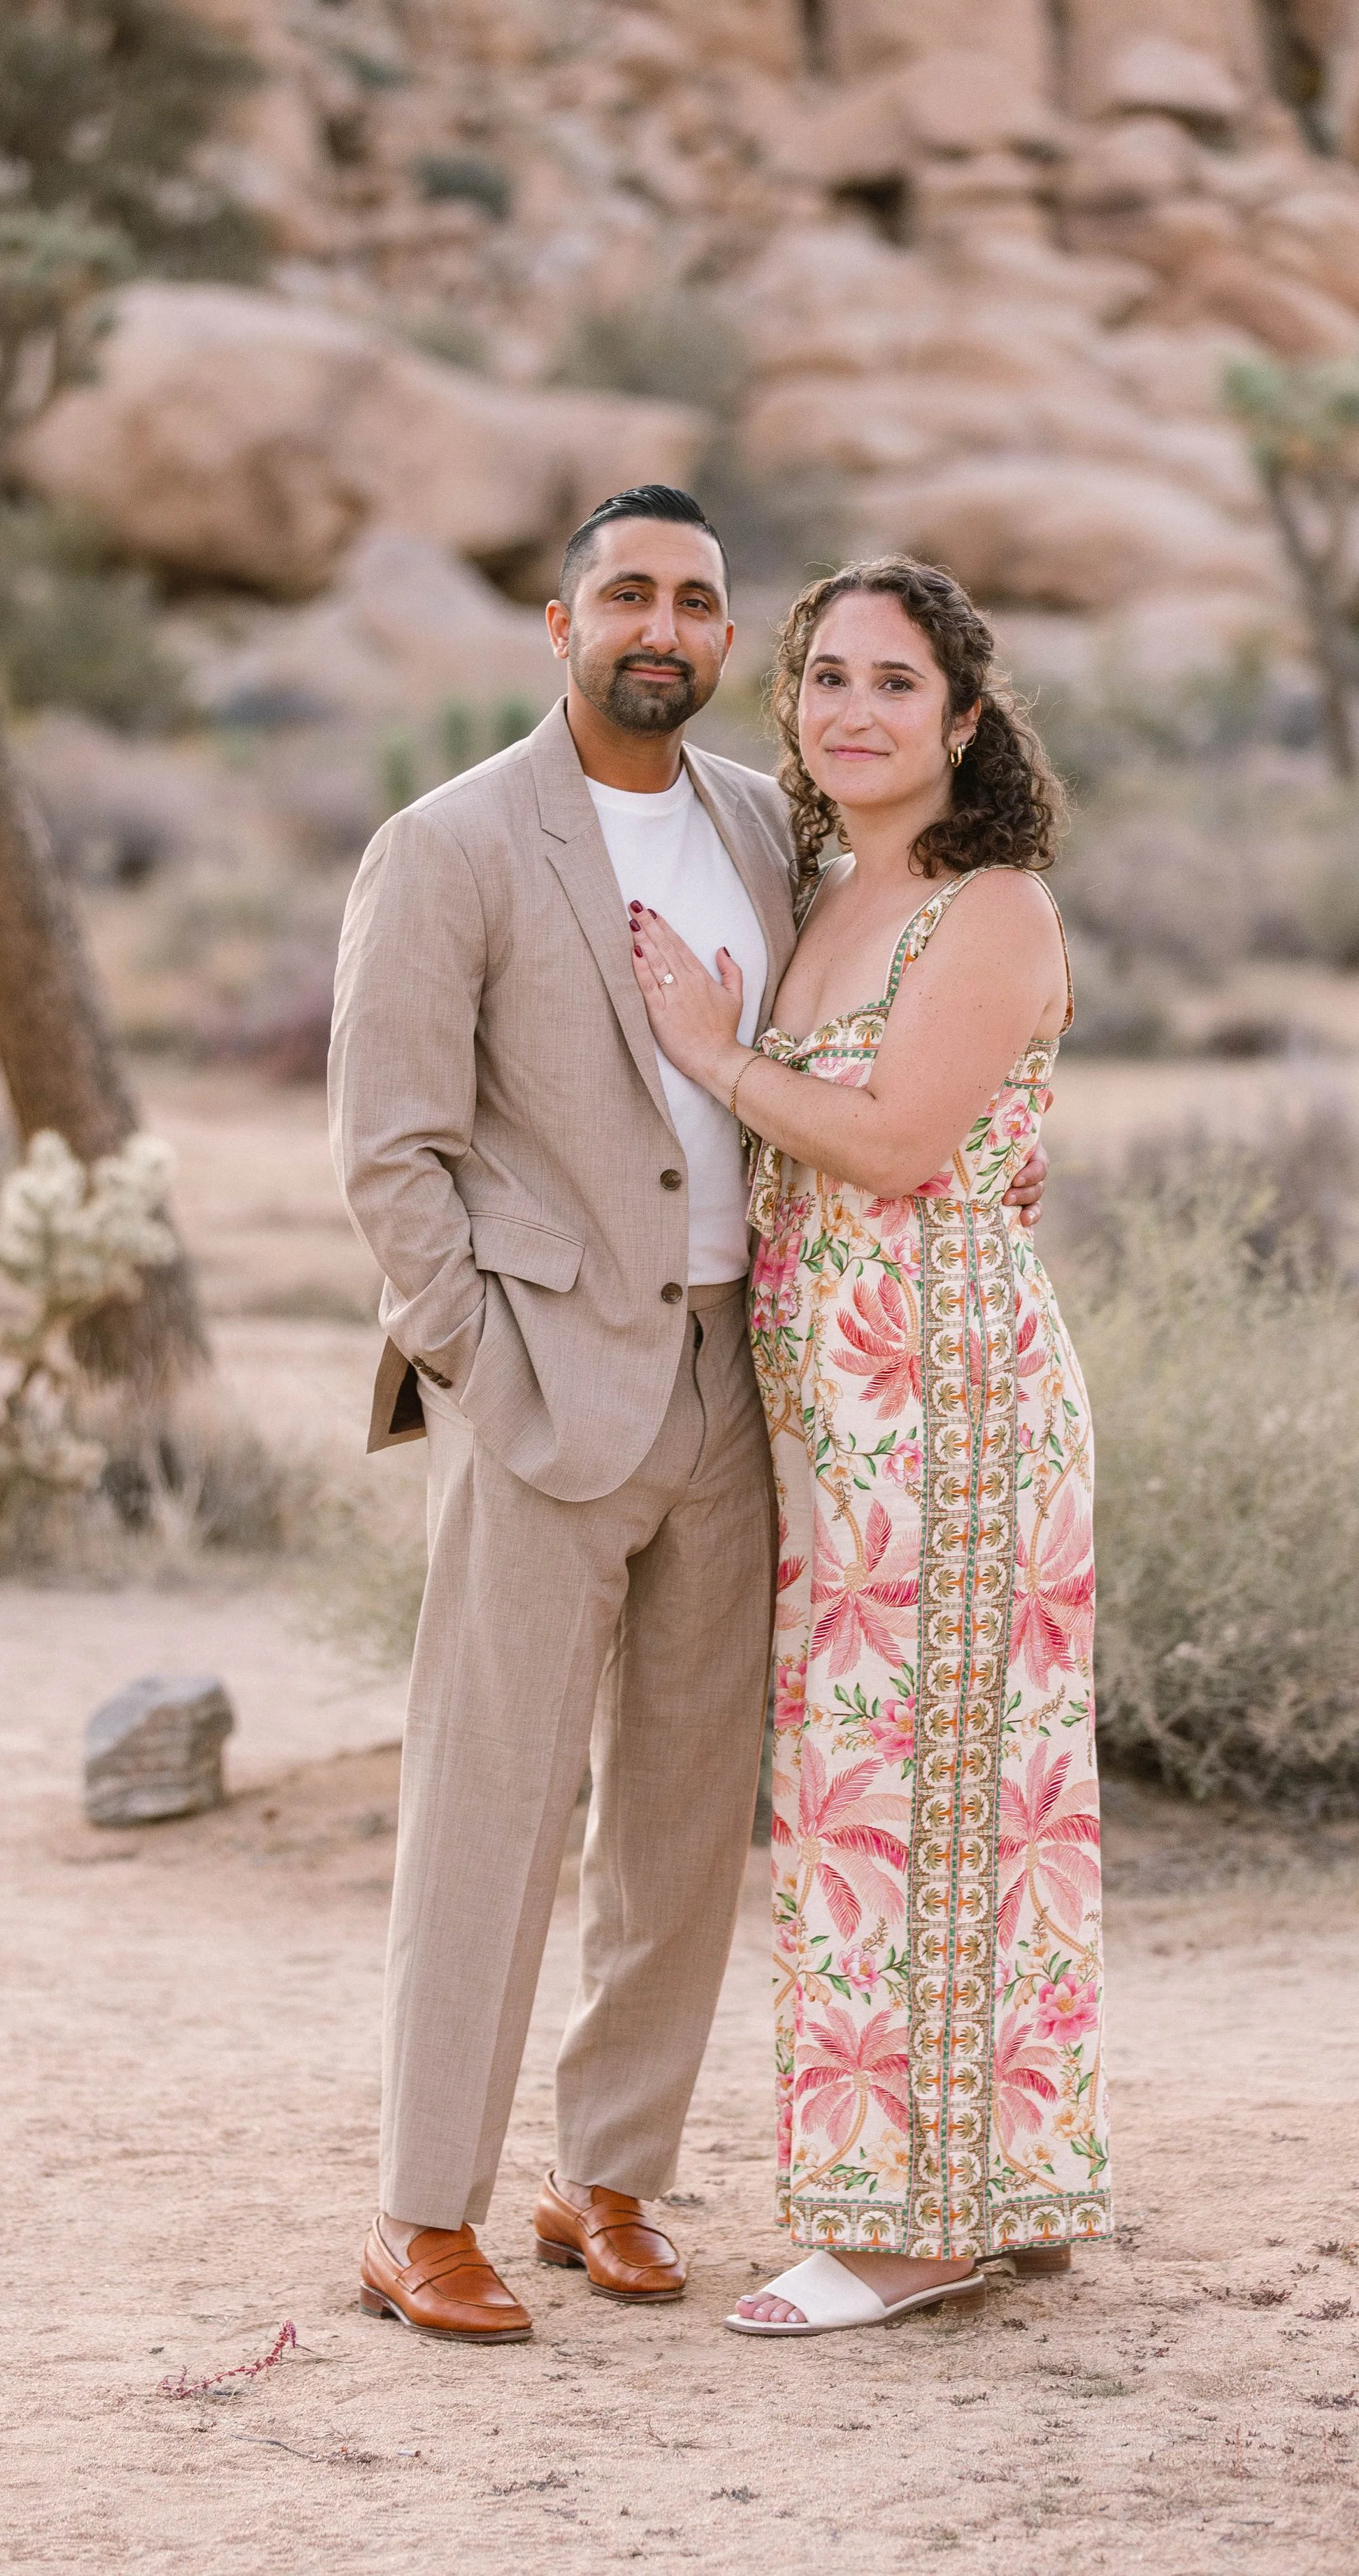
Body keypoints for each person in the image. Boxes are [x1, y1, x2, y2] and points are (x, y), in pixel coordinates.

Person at [329, 495, 1047, 2347]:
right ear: (558, 619)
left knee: (672, 1813)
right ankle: (424, 2209)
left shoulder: (757, 818)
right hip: (548, 1387)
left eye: (697, 599)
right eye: (626, 591)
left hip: (742, 1384)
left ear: (724, 637)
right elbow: (387, 1148)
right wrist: (483, 1362)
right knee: (491, 1798)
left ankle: (609, 2173)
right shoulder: (448, 842)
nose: (662, 621)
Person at [625, 555, 1109, 2340]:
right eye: (823, 676)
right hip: (837, 1400)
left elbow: (899, 1140)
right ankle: (997, 2180)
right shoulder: (822, 888)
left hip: (954, 1399)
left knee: (914, 1798)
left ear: (962, 719)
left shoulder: (989, 910)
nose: (847, 708)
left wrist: (706, 1047)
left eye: (893, 682)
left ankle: (916, 2225)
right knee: (890, 1788)